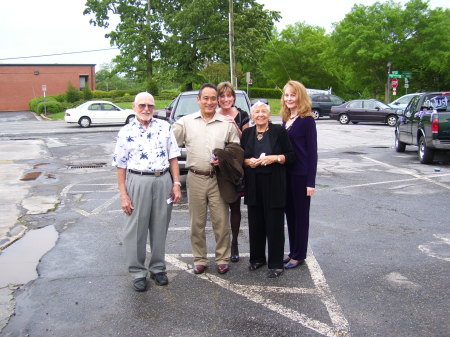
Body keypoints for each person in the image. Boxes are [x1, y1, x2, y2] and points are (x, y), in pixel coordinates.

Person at [112, 92, 182, 292]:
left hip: (162, 180)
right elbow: (120, 165)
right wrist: (123, 194)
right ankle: (138, 272)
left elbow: (173, 157)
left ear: (154, 107)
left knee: (160, 226)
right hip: (137, 180)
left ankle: (158, 268)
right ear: (134, 107)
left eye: (150, 106)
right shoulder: (125, 132)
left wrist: (176, 183)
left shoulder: (164, 127)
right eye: (142, 105)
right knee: (135, 229)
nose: (146, 109)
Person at [173, 83, 240, 275]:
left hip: (219, 179)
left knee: (221, 221)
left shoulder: (226, 124)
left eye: (213, 98)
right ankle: (200, 258)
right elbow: (169, 144)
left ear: (217, 101)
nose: (210, 102)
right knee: (197, 222)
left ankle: (222, 258)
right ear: (199, 100)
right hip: (195, 178)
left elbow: (236, 151)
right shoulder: (185, 122)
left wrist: (225, 159)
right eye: (206, 98)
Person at [240, 101, 295, 278]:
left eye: (264, 111)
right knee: (256, 222)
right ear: (252, 115)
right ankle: (257, 258)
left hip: (274, 183)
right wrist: (247, 162)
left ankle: (276, 263)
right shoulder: (247, 133)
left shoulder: (279, 131)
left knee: (274, 224)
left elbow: (291, 156)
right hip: (254, 183)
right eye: (257, 112)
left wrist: (275, 158)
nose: (260, 115)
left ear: (269, 114)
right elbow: (241, 157)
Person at [281, 80, 318, 269]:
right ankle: (293, 251)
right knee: (291, 216)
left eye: (292, 95)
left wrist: (310, 182)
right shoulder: (286, 119)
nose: (289, 98)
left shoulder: (307, 120)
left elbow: (312, 153)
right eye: (286, 95)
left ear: (300, 96)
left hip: (301, 176)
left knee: (301, 217)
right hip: (286, 176)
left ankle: (299, 254)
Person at [217, 81, 250, 262]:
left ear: (234, 98)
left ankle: (235, 242)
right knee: (219, 208)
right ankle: (221, 245)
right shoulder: (213, 114)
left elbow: (248, 141)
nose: (226, 99)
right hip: (217, 167)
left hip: (235, 167)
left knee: (235, 206)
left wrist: (234, 126)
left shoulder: (242, 115)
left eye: (229, 96)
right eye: (222, 96)